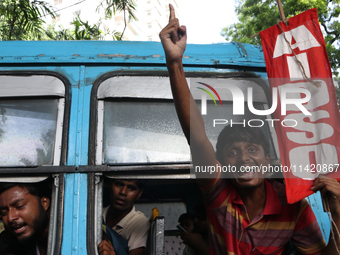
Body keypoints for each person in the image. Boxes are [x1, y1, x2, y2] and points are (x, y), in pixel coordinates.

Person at [159, 4, 340, 255]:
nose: (244, 158)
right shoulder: (218, 192)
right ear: (222, 164)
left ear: (267, 161)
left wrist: (339, 215)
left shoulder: (293, 207)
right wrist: (175, 63)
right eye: (232, 152)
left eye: (252, 149)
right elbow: (197, 137)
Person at [98, 179, 149, 255]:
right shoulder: (96, 214)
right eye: (119, 184)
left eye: (131, 188)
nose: (123, 192)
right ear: (110, 185)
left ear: (139, 194)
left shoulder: (140, 223)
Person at [0, 182, 51, 255]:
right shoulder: (7, 244)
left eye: (19, 206)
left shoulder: (70, 239)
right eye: (4, 212)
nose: (10, 218)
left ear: (44, 203)